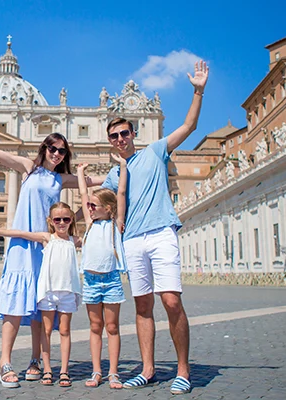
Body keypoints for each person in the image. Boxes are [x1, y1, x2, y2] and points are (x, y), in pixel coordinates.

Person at [0, 123, 100, 388]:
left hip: (46, 247)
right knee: (14, 303)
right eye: (52, 148)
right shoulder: (29, 167)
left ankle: (36, 360)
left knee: (42, 305)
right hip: (21, 244)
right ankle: (5, 362)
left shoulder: (62, 179)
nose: (57, 154)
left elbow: (97, 183)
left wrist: (126, 168)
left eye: (62, 151)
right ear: (44, 148)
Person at [102, 60, 208, 394]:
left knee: (171, 301)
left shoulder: (156, 150)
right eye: (114, 136)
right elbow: (95, 195)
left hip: (161, 232)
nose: (120, 139)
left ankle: (183, 370)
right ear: (110, 141)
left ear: (133, 133)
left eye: (124, 133)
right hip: (132, 240)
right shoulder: (113, 175)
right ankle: (148, 369)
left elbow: (189, 125)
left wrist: (198, 91)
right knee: (143, 306)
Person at [0, 202, 82, 388]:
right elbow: (20, 233)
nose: (61, 223)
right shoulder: (47, 237)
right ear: (51, 221)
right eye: (57, 219)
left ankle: (64, 370)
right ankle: (48, 369)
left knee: (65, 331)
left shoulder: (74, 240)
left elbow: (93, 234)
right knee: (47, 331)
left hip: (67, 292)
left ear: (71, 220)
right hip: (48, 292)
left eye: (65, 219)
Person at [77, 154, 128, 389]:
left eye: (93, 206)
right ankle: (97, 371)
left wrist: (123, 167)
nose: (89, 208)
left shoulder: (116, 224)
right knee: (95, 327)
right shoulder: (89, 224)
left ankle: (114, 373)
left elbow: (122, 194)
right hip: (90, 280)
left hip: (111, 280)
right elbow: (82, 194)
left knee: (112, 327)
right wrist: (80, 173)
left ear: (107, 208)